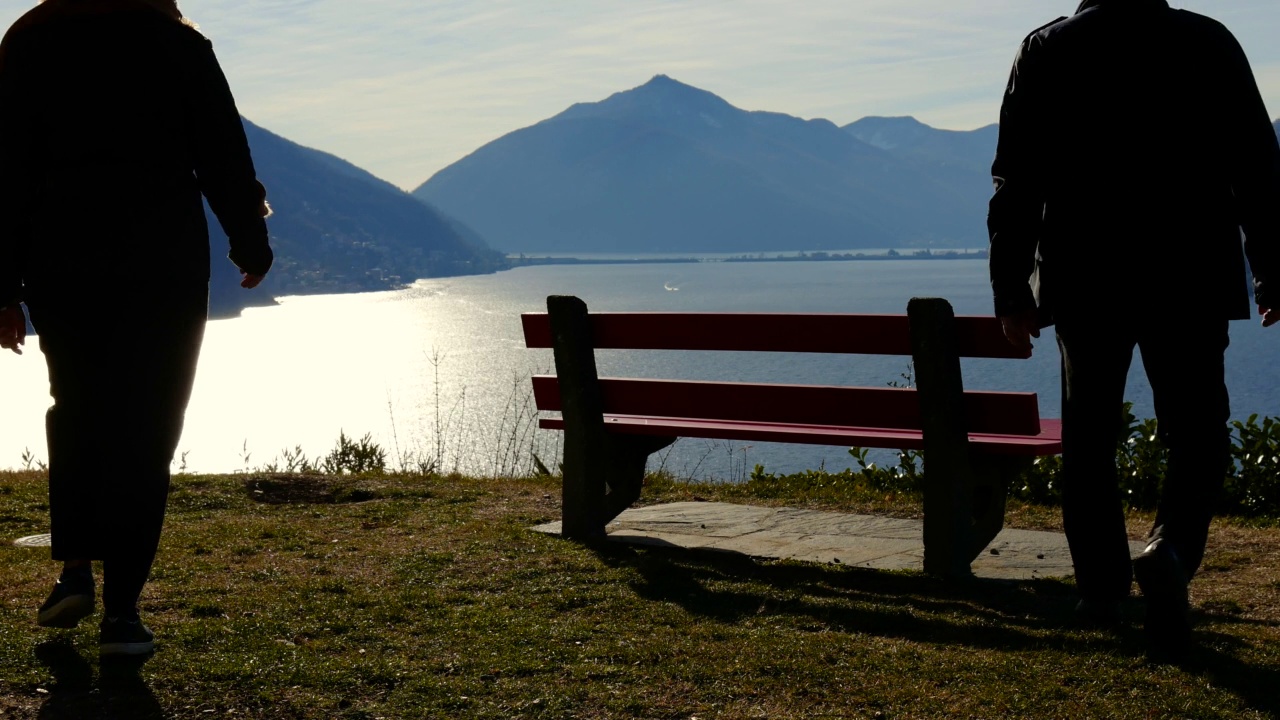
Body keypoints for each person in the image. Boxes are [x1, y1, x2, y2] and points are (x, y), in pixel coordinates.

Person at [989, 0, 1280, 661]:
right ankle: (1170, 550)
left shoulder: (1047, 48)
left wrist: (1012, 290)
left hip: (1087, 275)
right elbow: (1257, 165)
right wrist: (1273, 271)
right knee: (1199, 433)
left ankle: (1100, 589)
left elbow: (1018, 175)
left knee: (1089, 437)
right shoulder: (1209, 40)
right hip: (1193, 273)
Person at [0, 0, 272, 657]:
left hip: (61, 250)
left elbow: (5, 167)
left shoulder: (29, 41)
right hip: (163, 251)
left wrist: (4, 285)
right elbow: (220, 148)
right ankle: (122, 612)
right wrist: (248, 239)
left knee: (78, 409)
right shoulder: (176, 41)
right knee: (148, 424)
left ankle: (73, 572)